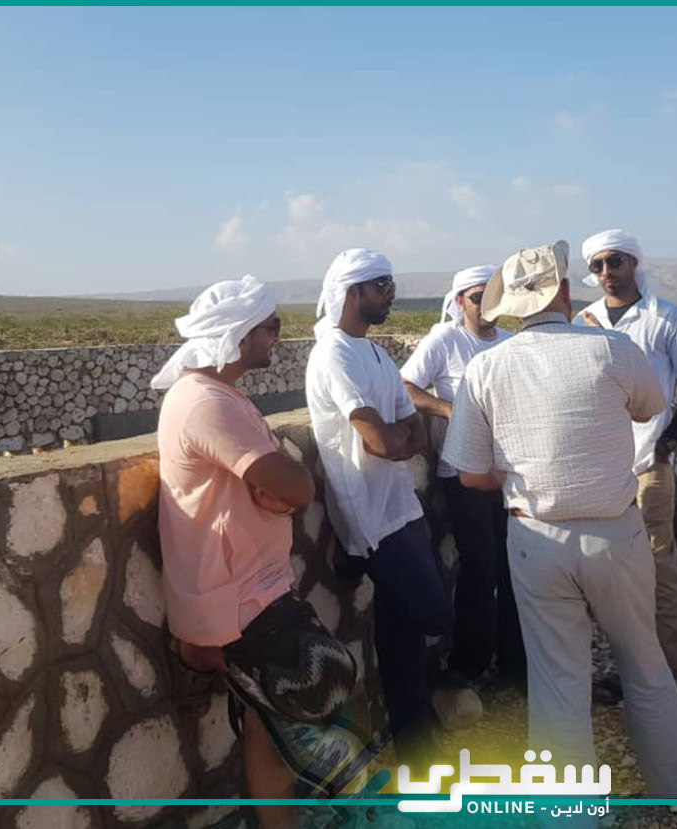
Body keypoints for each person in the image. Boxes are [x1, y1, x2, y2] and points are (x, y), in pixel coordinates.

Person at [443, 241, 677, 826]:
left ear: (512, 304)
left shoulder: (486, 367)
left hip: (535, 539)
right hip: (616, 534)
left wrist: (523, 477)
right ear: (564, 291)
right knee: (643, 660)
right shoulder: (612, 348)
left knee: (558, 681)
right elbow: (650, 408)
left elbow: (470, 474)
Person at [153, 276, 359, 828]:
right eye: (270, 327)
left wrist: (274, 488)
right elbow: (295, 487)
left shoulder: (218, 397)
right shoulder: (206, 404)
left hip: (248, 591)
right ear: (239, 334)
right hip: (237, 601)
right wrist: (280, 490)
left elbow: (277, 485)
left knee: (270, 731)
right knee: (316, 692)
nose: (277, 336)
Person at [305, 248, 455, 771]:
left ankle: (414, 746)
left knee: (402, 631)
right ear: (353, 293)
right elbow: (383, 441)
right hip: (368, 517)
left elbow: (409, 428)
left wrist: (399, 438)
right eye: (382, 286)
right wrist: (398, 439)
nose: (391, 295)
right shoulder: (334, 354)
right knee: (433, 612)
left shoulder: (372, 353)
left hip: (398, 504)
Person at [575, 229, 677, 736]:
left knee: (659, 570)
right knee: (613, 576)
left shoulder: (667, 318)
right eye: (597, 265)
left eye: (615, 262)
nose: (606, 273)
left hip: (646, 465)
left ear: (634, 263)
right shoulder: (582, 323)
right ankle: (636, 673)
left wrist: (667, 444)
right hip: (600, 469)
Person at [400, 264, 525, 724]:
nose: (485, 304)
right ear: (458, 302)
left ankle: (514, 661)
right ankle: (468, 663)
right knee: (481, 566)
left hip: (507, 471)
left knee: (514, 566)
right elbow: (406, 385)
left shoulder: (511, 342)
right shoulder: (444, 340)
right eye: (477, 296)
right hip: (462, 471)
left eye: (493, 295)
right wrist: (448, 409)